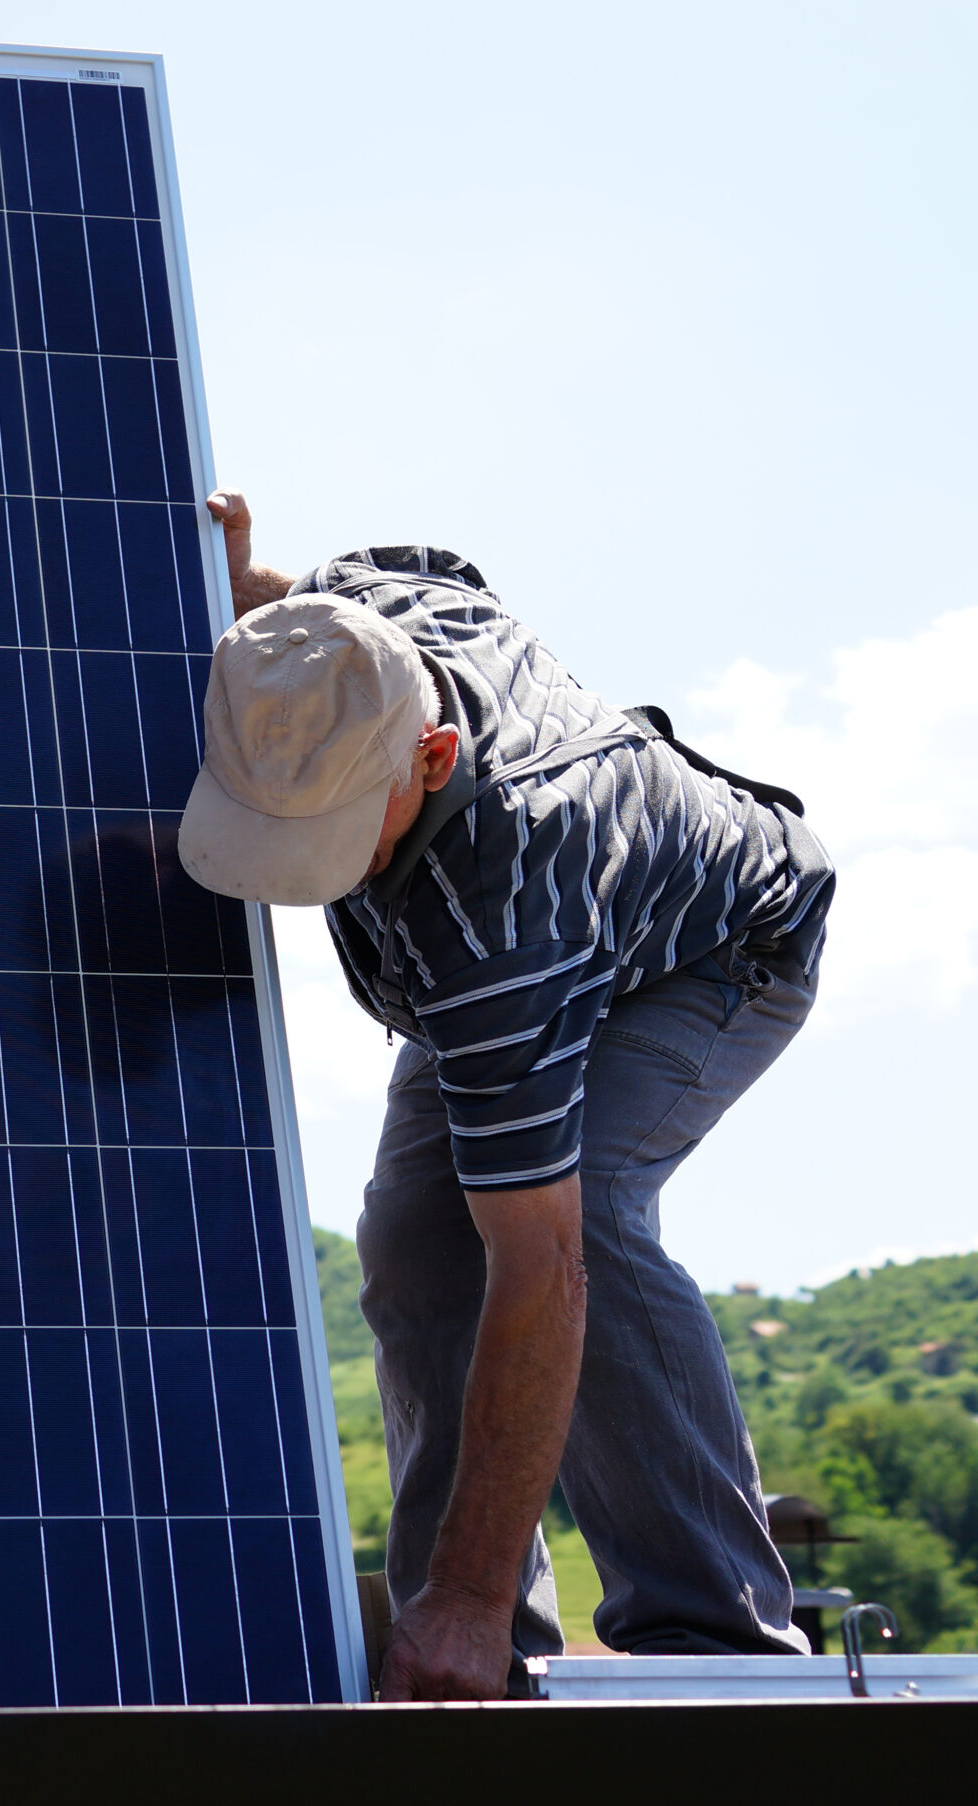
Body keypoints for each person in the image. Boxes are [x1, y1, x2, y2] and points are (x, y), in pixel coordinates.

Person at [176, 492, 835, 1701]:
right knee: (415, 1241)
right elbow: (317, 649)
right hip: (531, 937)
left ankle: (715, 1646)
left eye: (330, 835)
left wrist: (471, 1597)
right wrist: (238, 589)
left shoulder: (499, 920)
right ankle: (464, 1657)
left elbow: (540, 1274)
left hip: (712, 952)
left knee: (574, 1220)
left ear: (429, 760)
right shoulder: (353, 625)